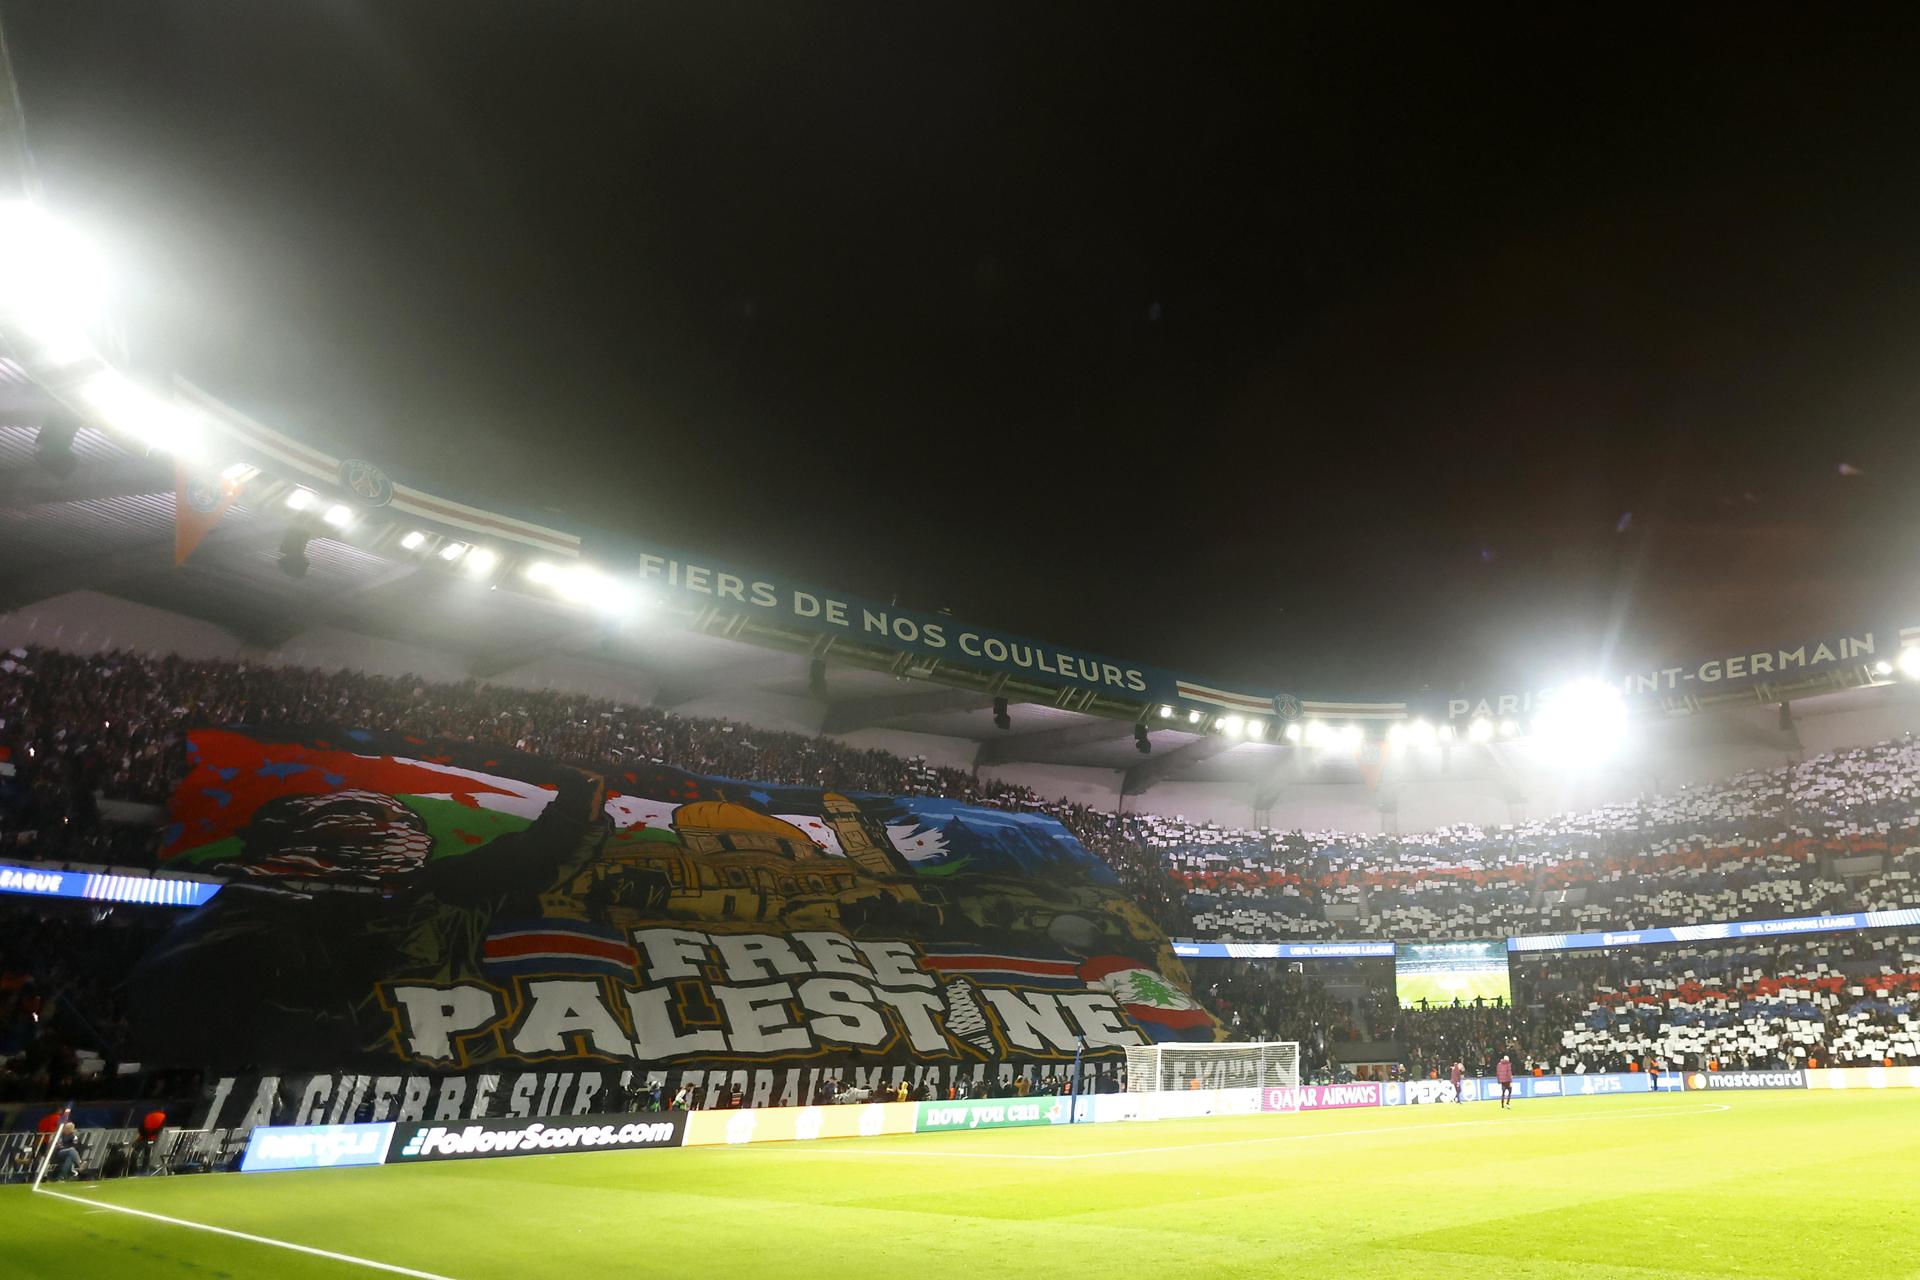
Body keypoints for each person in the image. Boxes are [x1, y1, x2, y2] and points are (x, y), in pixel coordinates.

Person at [131, 1107, 166, 1175]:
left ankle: (133, 1169)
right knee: (147, 1154)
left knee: (135, 1152)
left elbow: (141, 1126)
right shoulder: (162, 1117)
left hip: (143, 1137)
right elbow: (160, 1129)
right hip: (152, 1138)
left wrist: (143, 1134)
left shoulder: (149, 1115)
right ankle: (144, 1170)